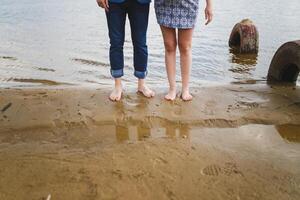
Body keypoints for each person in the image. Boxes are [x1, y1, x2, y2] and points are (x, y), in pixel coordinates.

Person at [155, 0, 213, 101]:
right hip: (163, 4)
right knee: (169, 46)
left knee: (185, 46)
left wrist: (209, 5)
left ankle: (185, 89)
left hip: (188, 4)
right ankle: (172, 88)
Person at [97, 0, 155, 101]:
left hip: (140, 2)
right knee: (116, 42)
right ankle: (118, 86)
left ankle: (141, 84)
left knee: (140, 42)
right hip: (114, 2)